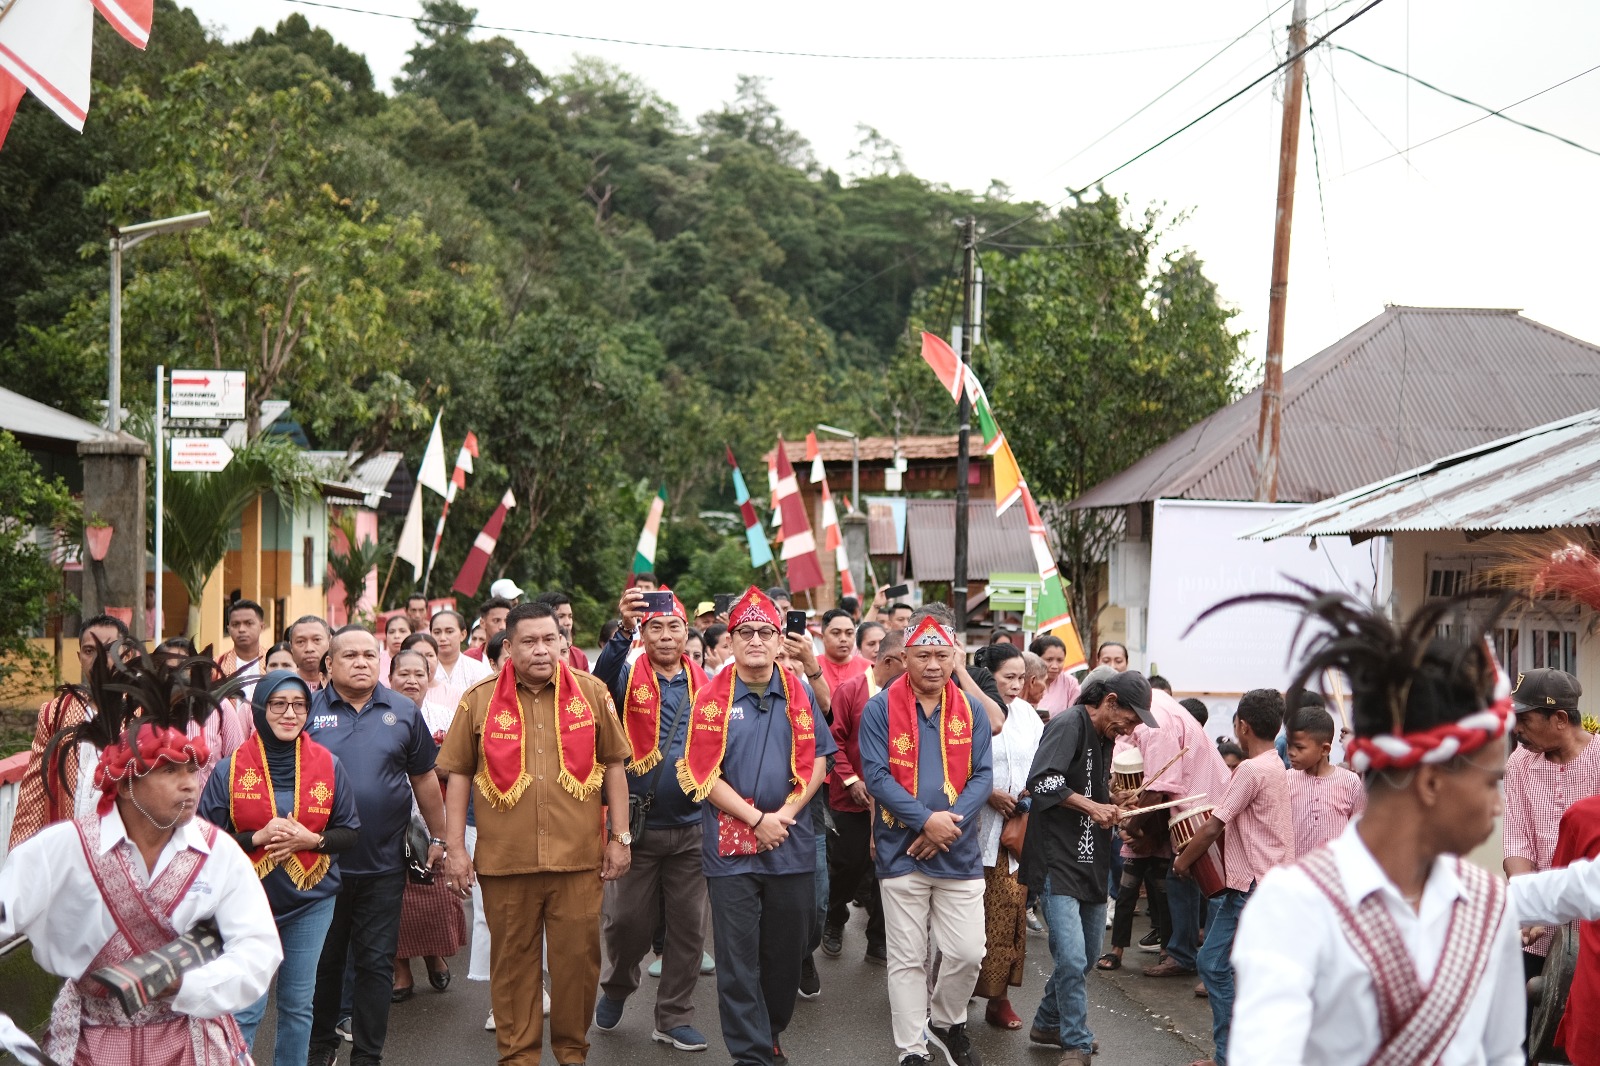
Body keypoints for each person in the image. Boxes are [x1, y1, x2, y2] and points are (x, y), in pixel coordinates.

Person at [1228, 590, 1524, 1066]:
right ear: (1430, 781)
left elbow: (1503, 1054)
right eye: (1492, 783)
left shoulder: (1490, 906)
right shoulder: (1296, 905)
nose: (1498, 805)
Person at [0, 644, 281, 1064]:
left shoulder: (217, 851)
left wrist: (185, 986)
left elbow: (259, 948)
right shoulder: (64, 849)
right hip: (89, 1042)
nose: (190, 784)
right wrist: (14, 1039)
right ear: (126, 782)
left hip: (192, 1037)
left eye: (192, 769)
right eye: (169, 771)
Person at [438, 602, 632, 1066]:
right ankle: (519, 1057)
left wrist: (619, 837)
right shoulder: (479, 699)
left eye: (550, 639)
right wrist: (453, 850)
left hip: (579, 862)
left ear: (563, 642)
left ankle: (572, 1053)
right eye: (529, 641)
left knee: (577, 970)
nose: (542, 650)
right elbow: (458, 775)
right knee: (512, 971)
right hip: (507, 864)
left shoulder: (591, 693)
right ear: (509, 647)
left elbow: (614, 765)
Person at [675, 587, 833, 1066]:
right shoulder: (711, 697)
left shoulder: (798, 692)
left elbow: (821, 760)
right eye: (746, 632)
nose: (757, 641)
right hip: (730, 851)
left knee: (786, 955)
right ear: (732, 637)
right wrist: (756, 819)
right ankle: (751, 1054)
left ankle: (771, 1031)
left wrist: (782, 816)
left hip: (791, 841)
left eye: (767, 632)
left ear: (779, 639)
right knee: (738, 960)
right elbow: (701, 774)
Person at [199, 670, 361, 1066]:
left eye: (299, 705)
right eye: (278, 704)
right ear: (260, 709)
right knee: (247, 1008)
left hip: (311, 901)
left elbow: (349, 832)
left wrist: (313, 841)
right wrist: (255, 838)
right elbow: (204, 841)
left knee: (297, 1004)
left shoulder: (329, 765)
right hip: (246, 905)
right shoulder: (228, 770)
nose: (290, 714)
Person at [306, 626, 448, 1066]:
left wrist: (441, 838)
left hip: (384, 865)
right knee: (325, 964)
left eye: (370, 654)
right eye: (350, 655)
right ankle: (320, 1047)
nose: (362, 662)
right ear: (329, 664)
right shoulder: (306, 711)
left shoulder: (403, 711)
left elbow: (424, 778)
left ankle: (367, 1055)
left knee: (375, 964)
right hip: (318, 865)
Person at [860, 609, 995, 1066]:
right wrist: (924, 822)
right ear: (905, 657)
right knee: (907, 957)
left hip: (958, 850)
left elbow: (982, 777)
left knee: (967, 952)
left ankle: (944, 1018)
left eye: (942, 654)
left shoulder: (972, 709)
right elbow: (876, 777)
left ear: (954, 656)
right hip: (901, 851)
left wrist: (944, 826)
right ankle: (911, 1047)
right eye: (923, 655)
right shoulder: (880, 708)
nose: (934, 664)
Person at [592, 587, 713, 1052]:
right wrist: (622, 630)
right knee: (625, 922)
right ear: (644, 633)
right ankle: (618, 986)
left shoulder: (710, 686)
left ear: (688, 632)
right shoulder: (625, 678)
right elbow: (597, 683)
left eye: (674, 627)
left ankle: (673, 1016)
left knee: (687, 929)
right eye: (655, 628)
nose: (665, 636)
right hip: (636, 828)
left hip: (693, 826)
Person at [1023, 671, 1153, 1064]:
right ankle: (1076, 1041)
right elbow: (1042, 783)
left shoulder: (1105, 736)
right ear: (1110, 701)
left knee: (1087, 954)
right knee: (1073, 957)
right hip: (1057, 858)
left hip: (1091, 857)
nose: (1129, 729)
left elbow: (1083, 784)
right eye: (1129, 719)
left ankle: (1048, 1021)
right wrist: (1093, 806)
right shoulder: (1068, 724)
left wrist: (1112, 797)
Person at [1173, 688, 1294, 1066]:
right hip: (1263, 882)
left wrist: (1182, 862)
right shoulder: (1276, 764)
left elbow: (1212, 828)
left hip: (1252, 884)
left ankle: (1231, 1055)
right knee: (1232, 965)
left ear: (1241, 725)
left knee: (1212, 963)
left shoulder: (1250, 769)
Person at [1503, 668, 1596, 977]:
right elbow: (1517, 840)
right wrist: (1528, 909)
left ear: (1559, 719)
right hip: (1536, 937)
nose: (1517, 730)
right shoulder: (1519, 762)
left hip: (1592, 933)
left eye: (1525, 720)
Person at [1137, 690, 1235, 982]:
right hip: (1196, 809)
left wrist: (1131, 826)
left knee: (1214, 886)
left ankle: (1212, 965)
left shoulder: (1157, 722)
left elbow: (1157, 789)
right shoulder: (1160, 709)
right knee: (1185, 880)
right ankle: (1190, 956)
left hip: (1205, 814)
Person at [10, 615, 132, 848]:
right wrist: (21, 858)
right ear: (79, 657)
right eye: (89, 651)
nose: (98, 660)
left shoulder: (143, 713)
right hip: (68, 850)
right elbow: (34, 793)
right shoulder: (55, 713)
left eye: (109, 650)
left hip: (125, 849)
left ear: (126, 655)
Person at [386, 650, 467, 1002]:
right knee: (395, 901)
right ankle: (400, 969)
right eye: (403, 673)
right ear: (390, 678)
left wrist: (425, 767)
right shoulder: (380, 717)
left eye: (419, 674)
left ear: (429, 678)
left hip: (435, 818)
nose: (411, 681)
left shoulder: (445, 717)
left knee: (435, 898)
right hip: (389, 823)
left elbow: (460, 766)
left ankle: (435, 955)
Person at [822, 627, 905, 965]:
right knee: (849, 865)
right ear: (890, 659)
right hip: (852, 799)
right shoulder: (851, 690)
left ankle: (878, 939)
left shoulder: (910, 695)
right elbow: (833, 742)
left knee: (890, 869)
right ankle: (834, 916)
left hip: (895, 801)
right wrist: (852, 780)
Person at [974, 643, 1043, 1031]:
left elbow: (1041, 761)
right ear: (989, 675)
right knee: (966, 921)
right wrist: (988, 793)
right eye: (1008, 678)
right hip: (972, 829)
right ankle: (948, 996)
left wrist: (1030, 792)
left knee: (1008, 917)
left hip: (1013, 835)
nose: (1017, 686)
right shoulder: (967, 709)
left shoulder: (1028, 714)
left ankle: (998, 998)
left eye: (1021, 678)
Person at [1285, 703, 1365, 859]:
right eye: (1289, 745)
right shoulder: (1286, 780)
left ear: (1325, 750)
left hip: (1336, 873)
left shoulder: (1350, 781)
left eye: (1299, 747)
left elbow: (1359, 831)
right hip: (1296, 874)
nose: (1291, 753)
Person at [429, 609, 492, 705]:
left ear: (463, 634)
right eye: (437, 632)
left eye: (449, 631)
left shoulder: (478, 669)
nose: (442, 638)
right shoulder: (424, 669)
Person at [818, 608, 869, 695]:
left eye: (849, 633)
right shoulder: (811, 666)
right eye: (836, 633)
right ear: (823, 636)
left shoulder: (868, 668)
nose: (843, 639)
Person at [536, 591, 590, 671]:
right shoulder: (535, 654)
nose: (568, 622)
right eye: (561, 616)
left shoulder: (579, 656)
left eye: (570, 616)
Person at [1030, 634, 1082, 718]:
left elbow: (1075, 716)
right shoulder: (1025, 681)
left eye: (1059, 660)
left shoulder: (1070, 683)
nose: (1055, 666)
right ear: (1037, 658)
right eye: (1049, 660)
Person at [218, 599, 266, 682]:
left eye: (249, 623)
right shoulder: (217, 666)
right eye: (235, 624)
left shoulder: (274, 662)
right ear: (229, 630)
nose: (241, 629)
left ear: (261, 627)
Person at [287, 615, 331, 692]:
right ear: (291, 646)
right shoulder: (282, 685)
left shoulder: (343, 684)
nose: (309, 649)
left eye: (317, 640)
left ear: (330, 642)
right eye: (300, 642)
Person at [464, 596, 512, 662]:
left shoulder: (517, 657)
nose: (502, 627)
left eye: (506, 621)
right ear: (482, 623)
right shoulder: (469, 658)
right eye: (496, 621)